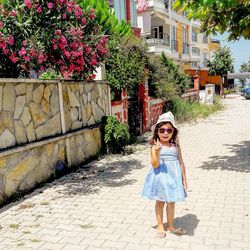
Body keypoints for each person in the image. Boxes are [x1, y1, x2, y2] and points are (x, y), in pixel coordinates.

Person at [142, 111, 187, 238]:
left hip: (174, 179)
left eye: (169, 130)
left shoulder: (176, 145)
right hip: (160, 179)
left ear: (174, 131)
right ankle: (160, 225)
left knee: (171, 202)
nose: (165, 133)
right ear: (157, 131)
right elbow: (155, 165)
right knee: (160, 202)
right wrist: (156, 152)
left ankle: (171, 225)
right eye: (162, 130)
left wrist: (184, 178)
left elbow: (181, 162)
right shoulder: (155, 147)